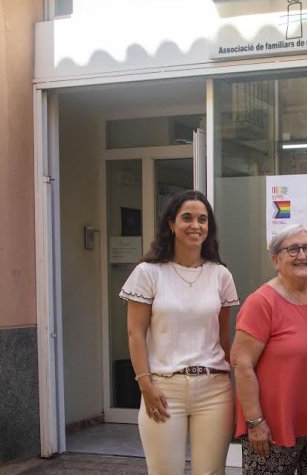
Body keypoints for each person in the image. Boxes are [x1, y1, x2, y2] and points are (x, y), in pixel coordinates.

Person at [120, 190, 239, 475]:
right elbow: (135, 334)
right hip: (163, 389)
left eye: (202, 219)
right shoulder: (148, 272)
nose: (195, 225)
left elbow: (222, 338)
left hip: (214, 389)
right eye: (187, 218)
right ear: (171, 224)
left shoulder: (220, 275)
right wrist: (145, 385)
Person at [231, 224, 307, 474]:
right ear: (275, 259)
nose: (302, 255)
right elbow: (242, 364)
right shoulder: (261, 302)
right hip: (273, 427)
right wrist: (255, 422)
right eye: (293, 249)